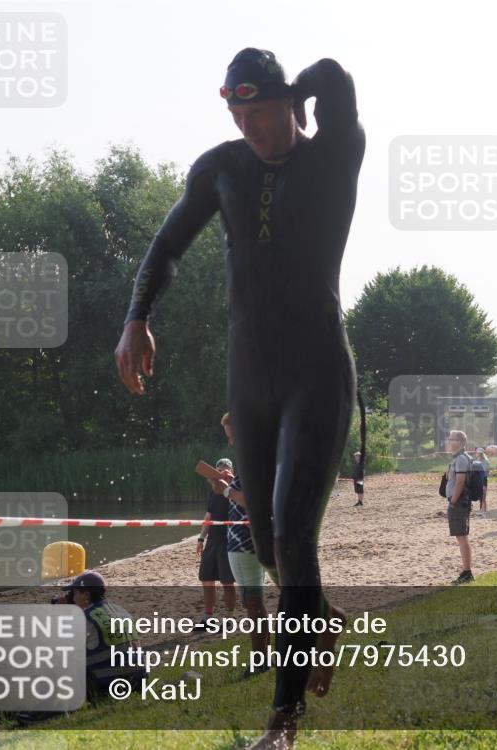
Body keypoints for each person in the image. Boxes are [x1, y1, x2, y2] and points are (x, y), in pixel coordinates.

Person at [113, 48, 365, 746]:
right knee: (265, 539)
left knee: (290, 533)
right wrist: (138, 317)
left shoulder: (335, 155)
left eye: (260, 109)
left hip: (316, 372)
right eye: (237, 112)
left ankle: (283, 719)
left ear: (290, 103)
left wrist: (297, 95)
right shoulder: (220, 168)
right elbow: (166, 246)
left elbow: (334, 77)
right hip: (250, 379)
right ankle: (317, 617)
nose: (249, 125)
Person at [215, 412, 271, 678]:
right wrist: (232, 478)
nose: (232, 442)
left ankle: (260, 660)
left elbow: (250, 500)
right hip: (256, 537)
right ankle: (265, 658)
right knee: (255, 601)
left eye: (233, 435)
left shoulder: (251, 458)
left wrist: (225, 490)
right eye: (229, 438)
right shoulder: (261, 454)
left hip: (243, 541)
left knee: (253, 602)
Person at [60, 571, 146, 700]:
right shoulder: (121, 611)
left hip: (108, 687)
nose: (72, 598)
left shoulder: (85, 618)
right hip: (138, 682)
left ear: (86, 595)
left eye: (75, 593)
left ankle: (41, 712)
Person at [197, 457, 238, 625]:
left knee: (227, 582)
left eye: (224, 469)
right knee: (206, 579)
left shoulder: (234, 488)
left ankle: (230, 618)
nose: (221, 472)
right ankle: (208, 617)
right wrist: (201, 538)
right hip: (212, 541)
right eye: (218, 469)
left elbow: (241, 503)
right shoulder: (214, 491)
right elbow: (209, 515)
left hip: (228, 542)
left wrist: (230, 481)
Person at [445, 430, 475, 584]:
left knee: (462, 537)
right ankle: (466, 571)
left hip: (458, 502)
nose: (449, 442)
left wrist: (452, 502)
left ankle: (467, 572)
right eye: (449, 439)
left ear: (461, 442)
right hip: (459, 501)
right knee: (461, 536)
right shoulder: (459, 458)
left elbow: (460, 482)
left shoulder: (461, 459)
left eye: (452, 439)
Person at [474, 448, 490, 517]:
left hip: (484, 479)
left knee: (483, 497)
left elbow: (486, 472)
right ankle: (481, 511)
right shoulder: (477, 461)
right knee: (480, 496)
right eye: (477, 453)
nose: (477, 454)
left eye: (478, 453)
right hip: (478, 480)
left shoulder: (485, 461)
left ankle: (484, 512)